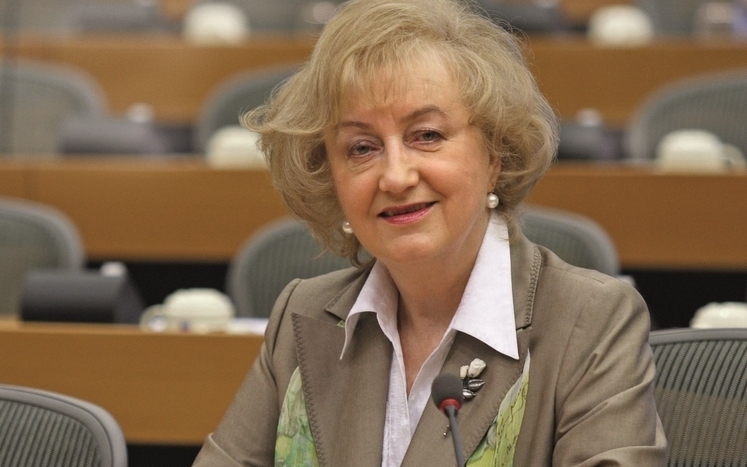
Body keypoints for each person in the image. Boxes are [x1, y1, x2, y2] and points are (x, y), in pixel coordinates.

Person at [193, 0, 667, 465]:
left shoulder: (590, 321)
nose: (395, 177)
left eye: (427, 136)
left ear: (495, 154)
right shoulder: (304, 316)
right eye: (362, 148)